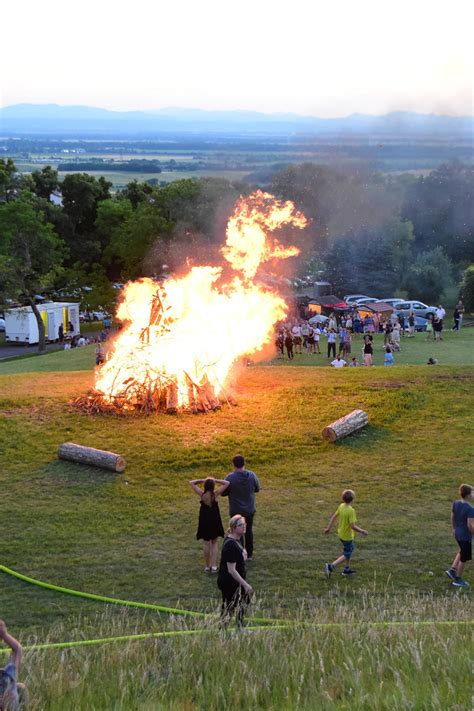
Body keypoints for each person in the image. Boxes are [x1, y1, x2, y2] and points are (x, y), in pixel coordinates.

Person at [221, 455, 260, 560]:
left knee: (237, 533)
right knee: (249, 530)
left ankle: (240, 553)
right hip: (249, 509)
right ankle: (249, 554)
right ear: (244, 463)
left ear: (233, 464)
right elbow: (257, 488)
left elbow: (223, 493)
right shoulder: (252, 475)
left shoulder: (230, 478)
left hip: (236, 510)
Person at [217, 515, 253, 626]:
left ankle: (240, 627)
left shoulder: (239, 539)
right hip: (229, 581)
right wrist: (245, 584)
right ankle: (223, 631)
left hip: (237, 580)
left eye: (244, 524)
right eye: (241, 525)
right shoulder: (230, 545)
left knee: (244, 601)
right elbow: (231, 570)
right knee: (229, 607)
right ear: (233, 527)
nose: (244, 527)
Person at [324, 489, 368, 577]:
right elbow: (353, 526)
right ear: (353, 499)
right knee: (348, 553)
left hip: (341, 534)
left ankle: (346, 569)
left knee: (349, 550)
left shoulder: (341, 506)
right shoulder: (351, 511)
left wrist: (328, 528)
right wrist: (362, 531)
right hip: (347, 536)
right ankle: (331, 566)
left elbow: (334, 517)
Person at [190, 477, 229, 573]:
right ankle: (214, 566)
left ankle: (207, 566)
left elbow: (192, 482)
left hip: (204, 519)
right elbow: (227, 483)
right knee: (214, 542)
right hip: (214, 519)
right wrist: (215, 480)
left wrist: (202, 480)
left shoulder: (202, 494)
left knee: (206, 542)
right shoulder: (215, 494)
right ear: (213, 486)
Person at [445, 484, 473, 588]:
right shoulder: (470, 509)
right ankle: (458, 579)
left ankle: (452, 570)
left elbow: (453, 516)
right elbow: (469, 526)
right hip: (465, 536)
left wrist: (453, 528)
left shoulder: (456, 503)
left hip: (457, 533)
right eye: (472, 492)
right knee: (464, 558)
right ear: (468, 495)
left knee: (462, 551)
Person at [0, 619, 26, 711]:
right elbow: (17, 649)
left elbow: (17, 649)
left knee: (21, 687)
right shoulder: (8, 676)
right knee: (21, 687)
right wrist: (4, 636)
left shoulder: (7, 675)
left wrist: (4, 635)